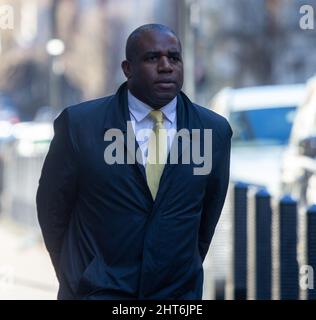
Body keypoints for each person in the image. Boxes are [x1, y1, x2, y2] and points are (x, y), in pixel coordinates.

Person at [36, 23, 232, 300]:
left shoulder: (214, 131)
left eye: (174, 58)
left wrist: (179, 271)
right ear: (127, 69)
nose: (166, 66)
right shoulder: (80, 125)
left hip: (176, 296)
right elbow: (52, 209)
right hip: (97, 292)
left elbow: (207, 218)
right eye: (153, 58)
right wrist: (75, 275)